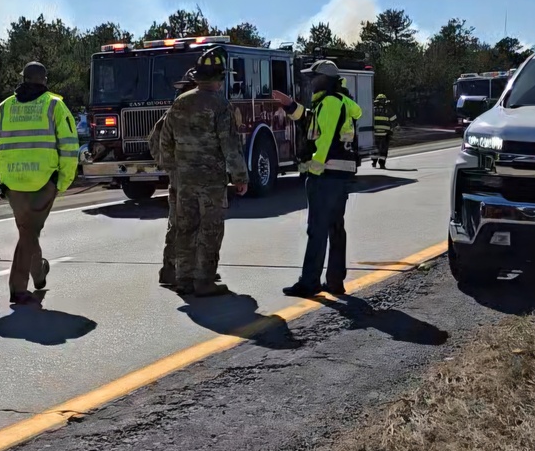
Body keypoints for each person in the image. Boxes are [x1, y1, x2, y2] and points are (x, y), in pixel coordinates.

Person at [0, 61, 79, 307]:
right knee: (29, 232)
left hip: (13, 185)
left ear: (23, 78)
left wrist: (6, 177)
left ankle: (38, 274)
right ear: (44, 80)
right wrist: (63, 182)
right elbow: (70, 148)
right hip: (43, 183)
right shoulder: (54, 106)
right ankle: (17, 290)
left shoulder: (3, 108)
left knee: (28, 231)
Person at [160, 46, 249, 296]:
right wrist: (240, 177)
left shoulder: (180, 102)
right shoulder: (221, 105)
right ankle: (205, 281)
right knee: (210, 231)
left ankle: (184, 279)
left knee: (186, 228)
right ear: (219, 79)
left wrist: (173, 168)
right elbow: (230, 146)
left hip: (185, 179)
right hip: (211, 181)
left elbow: (164, 139)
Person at [271, 60, 361, 297]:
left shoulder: (330, 103)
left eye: (313, 77)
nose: (310, 81)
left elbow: (325, 140)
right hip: (338, 174)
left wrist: (313, 168)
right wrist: (290, 105)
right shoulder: (333, 102)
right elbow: (311, 121)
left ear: (325, 79)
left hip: (326, 175)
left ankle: (309, 282)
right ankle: (334, 281)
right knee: (334, 227)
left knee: (318, 229)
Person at [148, 67, 206, 288]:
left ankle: (186, 270)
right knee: (183, 225)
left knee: (194, 225)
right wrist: (172, 167)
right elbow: (155, 141)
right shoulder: (177, 112)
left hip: (194, 178)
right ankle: (174, 271)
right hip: (184, 180)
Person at [372, 93, 397, 169]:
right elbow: (394, 120)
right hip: (385, 134)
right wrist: (393, 128)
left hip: (374, 133)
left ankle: (374, 162)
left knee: (375, 148)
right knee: (383, 149)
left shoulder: (372, 109)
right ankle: (382, 164)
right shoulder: (387, 109)